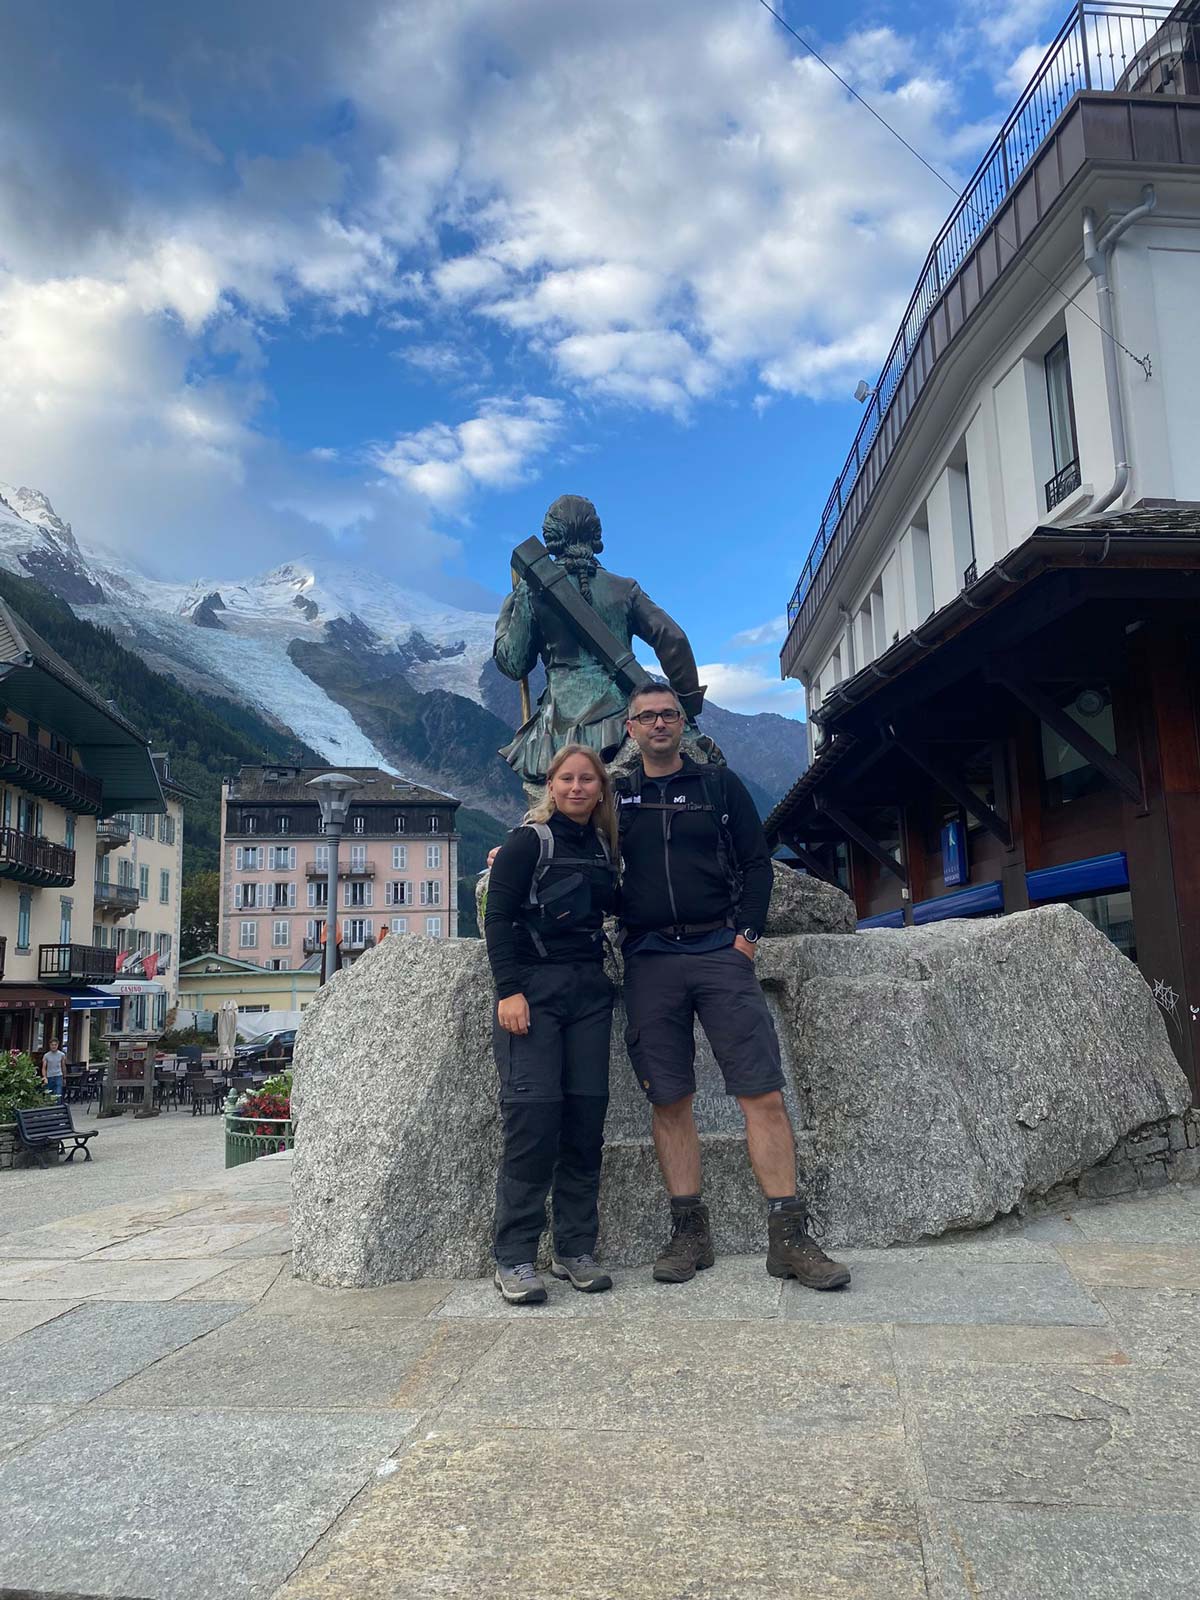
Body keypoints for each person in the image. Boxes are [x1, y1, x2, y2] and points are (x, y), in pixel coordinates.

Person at [616, 683, 851, 1292]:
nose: (660, 724)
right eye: (648, 716)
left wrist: (746, 937)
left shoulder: (719, 787)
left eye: (669, 714)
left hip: (719, 950)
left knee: (762, 1092)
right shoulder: (614, 797)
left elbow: (755, 862)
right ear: (630, 727)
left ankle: (789, 1236)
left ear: (682, 724)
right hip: (648, 956)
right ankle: (689, 1232)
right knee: (668, 1100)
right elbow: (571, 842)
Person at [483, 742, 620, 1304]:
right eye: (566, 778)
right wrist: (509, 991)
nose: (577, 787)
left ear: (600, 789)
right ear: (551, 785)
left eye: (588, 779)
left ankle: (574, 1249)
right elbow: (498, 916)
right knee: (533, 1123)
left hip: (589, 991)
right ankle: (514, 1257)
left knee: (585, 1123)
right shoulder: (527, 842)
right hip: (534, 994)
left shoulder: (605, 847)